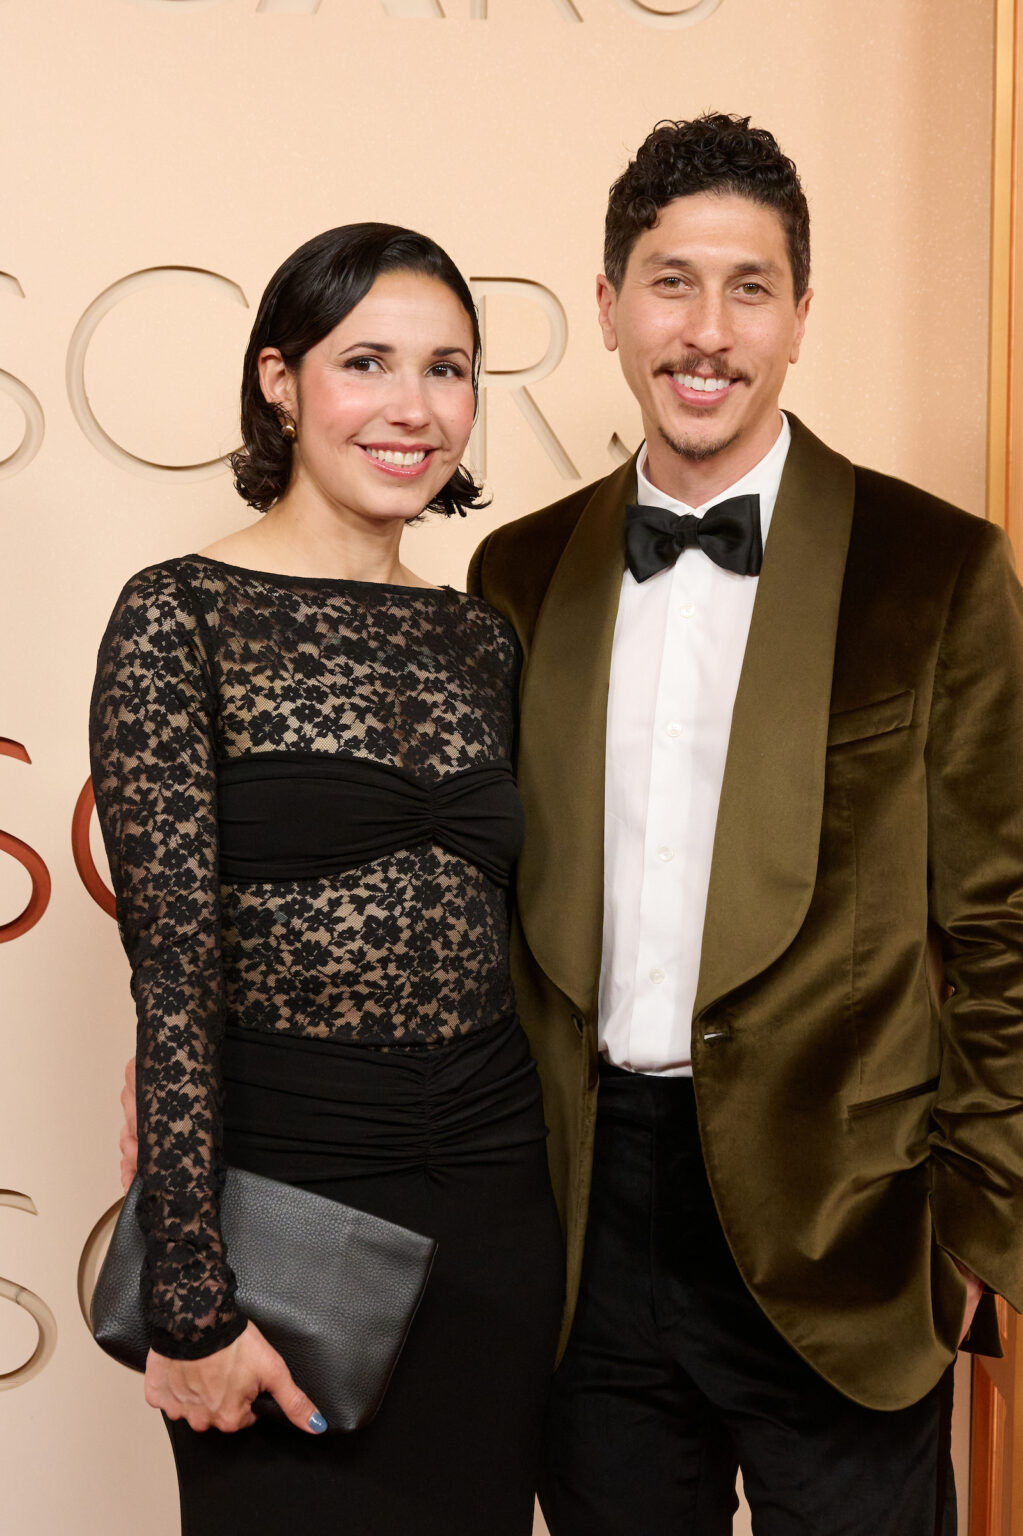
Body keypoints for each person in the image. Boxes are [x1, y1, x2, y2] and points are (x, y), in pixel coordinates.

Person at [468, 115, 1023, 1535]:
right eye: (670, 281)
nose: (706, 330)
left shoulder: (938, 569)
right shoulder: (519, 571)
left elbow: (1005, 926)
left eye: (749, 287)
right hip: (591, 1231)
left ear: (799, 320)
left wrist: (979, 1224)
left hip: (846, 1235)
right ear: (607, 308)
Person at [91, 222, 563, 1536]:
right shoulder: (177, 614)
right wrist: (190, 1297)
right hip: (284, 1213)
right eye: (369, 363)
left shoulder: (486, 638)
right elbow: (172, 962)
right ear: (281, 380)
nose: (414, 408)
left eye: (449, 368)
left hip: (494, 1204)